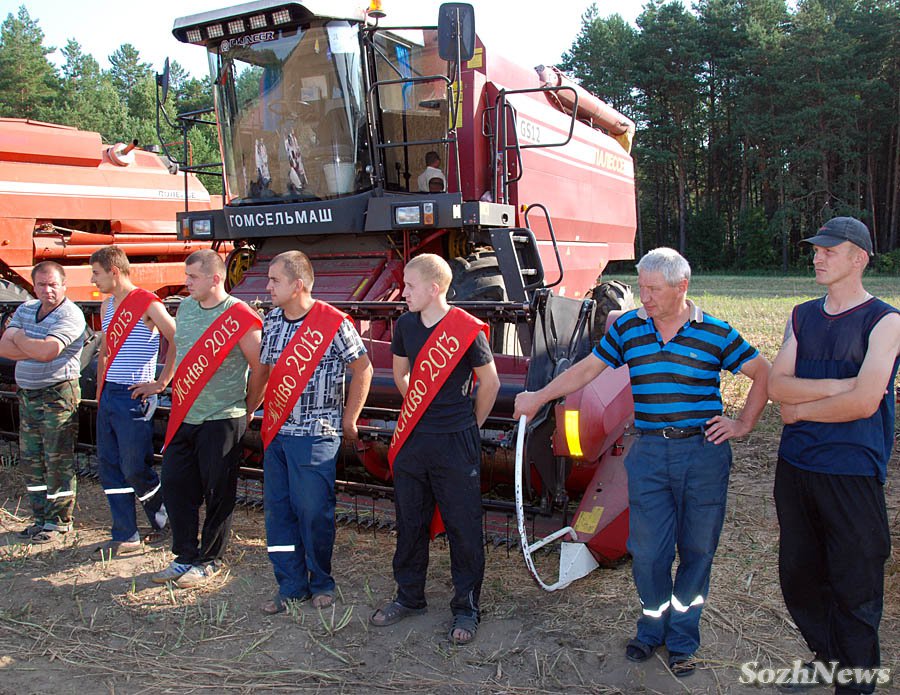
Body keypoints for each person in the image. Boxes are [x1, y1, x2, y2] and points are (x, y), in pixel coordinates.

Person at [514, 247, 769, 677]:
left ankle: (683, 639)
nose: (643, 297)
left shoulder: (716, 333)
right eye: (642, 287)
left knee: (697, 549)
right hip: (649, 453)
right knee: (648, 552)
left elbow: (763, 372)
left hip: (702, 455)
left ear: (681, 287)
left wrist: (743, 423)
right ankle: (651, 629)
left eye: (653, 289)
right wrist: (540, 396)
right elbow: (588, 370)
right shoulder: (630, 328)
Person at [768, 217, 900, 695]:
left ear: (859, 258)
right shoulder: (801, 315)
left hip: (851, 472)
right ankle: (827, 660)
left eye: (829, 250)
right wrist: (836, 387)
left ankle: (856, 683)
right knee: (800, 577)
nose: (817, 256)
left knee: (855, 584)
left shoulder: (885, 321)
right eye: (816, 249)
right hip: (796, 470)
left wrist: (801, 412)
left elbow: (865, 403)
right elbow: (777, 386)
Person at [371, 253, 500, 645]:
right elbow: (400, 372)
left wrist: (466, 425)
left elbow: (489, 384)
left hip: (454, 442)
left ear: (434, 288)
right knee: (410, 523)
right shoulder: (406, 325)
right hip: (413, 439)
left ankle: (466, 608)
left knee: (463, 528)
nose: (403, 292)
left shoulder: (465, 329)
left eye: (409, 286)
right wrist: (419, 405)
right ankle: (409, 597)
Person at [141, 249, 266, 588]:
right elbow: (179, 351)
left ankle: (209, 559)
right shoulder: (186, 308)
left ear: (215, 278)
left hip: (223, 417)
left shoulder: (239, 315)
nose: (186, 282)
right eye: (187, 276)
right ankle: (183, 555)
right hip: (185, 414)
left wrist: (250, 405)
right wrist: (164, 382)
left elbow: (260, 367)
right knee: (175, 485)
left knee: (218, 492)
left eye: (193, 277)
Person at [257, 251, 372, 614]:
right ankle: (290, 585)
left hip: (316, 434)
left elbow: (363, 369)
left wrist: (350, 419)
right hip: (277, 432)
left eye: (275, 280)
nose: (268, 286)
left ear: (298, 284)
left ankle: (321, 581)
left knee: (313, 512)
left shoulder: (333, 323)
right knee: (278, 513)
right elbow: (264, 370)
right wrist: (250, 409)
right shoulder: (273, 320)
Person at [89, 247, 176, 557]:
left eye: (96, 273)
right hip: (110, 393)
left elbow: (176, 336)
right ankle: (125, 533)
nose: (93, 279)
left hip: (133, 394)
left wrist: (161, 382)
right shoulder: (107, 305)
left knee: (134, 467)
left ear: (114, 270)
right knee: (110, 466)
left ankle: (163, 518)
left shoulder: (147, 302)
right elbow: (105, 353)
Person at [0, 262, 85, 544]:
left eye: (53, 285)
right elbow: (3, 347)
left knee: (56, 459)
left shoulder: (71, 314)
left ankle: (58, 522)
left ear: (64, 285)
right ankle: (39, 518)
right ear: (33, 286)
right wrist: (32, 347)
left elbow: (49, 351)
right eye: (41, 285)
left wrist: (21, 338)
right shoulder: (26, 309)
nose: (47, 290)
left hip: (57, 394)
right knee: (32, 460)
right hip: (28, 394)